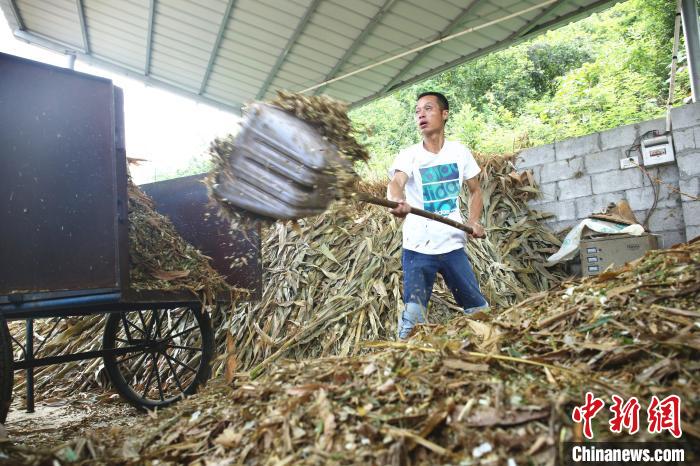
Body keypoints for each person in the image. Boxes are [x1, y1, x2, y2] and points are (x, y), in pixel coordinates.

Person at [387, 91, 489, 339]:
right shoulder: (410, 155)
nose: (421, 114)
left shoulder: (459, 152)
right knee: (413, 319)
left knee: (479, 311)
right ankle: (402, 362)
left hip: (452, 244)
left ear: (444, 114)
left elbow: (475, 191)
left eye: (428, 109)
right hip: (418, 247)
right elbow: (396, 183)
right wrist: (396, 201)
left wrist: (473, 221)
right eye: (417, 111)